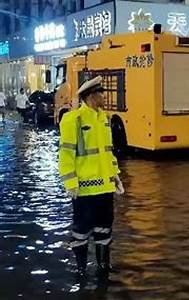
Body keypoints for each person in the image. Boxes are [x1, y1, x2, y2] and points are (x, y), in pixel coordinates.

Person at [59, 76, 124, 278]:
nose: (104, 97)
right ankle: (81, 270)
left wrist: (116, 176)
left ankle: (103, 267)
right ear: (90, 96)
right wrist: (70, 182)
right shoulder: (73, 120)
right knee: (81, 232)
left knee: (104, 230)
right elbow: (66, 154)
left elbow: (108, 152)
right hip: (84, 189)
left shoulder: (104, 119)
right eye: (100, 94)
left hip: (105, 188)